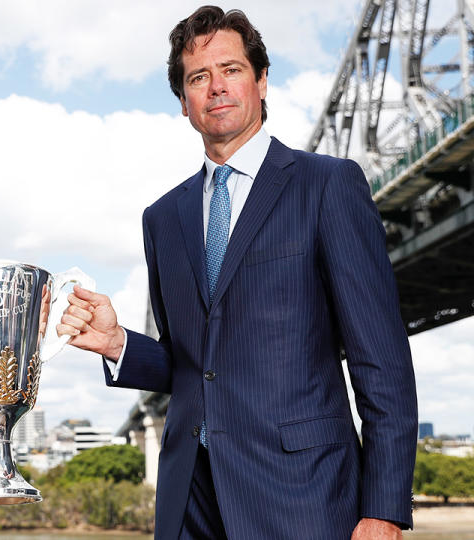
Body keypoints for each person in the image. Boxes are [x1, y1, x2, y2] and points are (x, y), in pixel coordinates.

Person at [57, 6, 417, 540]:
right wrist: (117, 345)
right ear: (184, 102)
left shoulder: (328, 185)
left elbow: (382, 363)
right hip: (190, 504)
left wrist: (383, 510)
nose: (216, 87)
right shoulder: (162, 218)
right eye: (198, 78)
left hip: (304, 499)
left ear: (262, 80)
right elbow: (195, 368)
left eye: (231, 70)